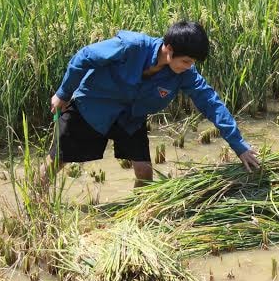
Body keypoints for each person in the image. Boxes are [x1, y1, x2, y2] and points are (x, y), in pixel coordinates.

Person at [46, 20, 260, 187]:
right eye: (186, 61)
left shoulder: (185, 74)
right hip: (93, 107)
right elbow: (84, 57)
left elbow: (211, 103)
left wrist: (239, 146)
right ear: (168, 49)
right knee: (58, 160)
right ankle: (36, 202)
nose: (189, 67)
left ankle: (138, 215)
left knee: (144, 170)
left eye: (192, 63)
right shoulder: (131, 47)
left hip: (130, 118)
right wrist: (63, 94)